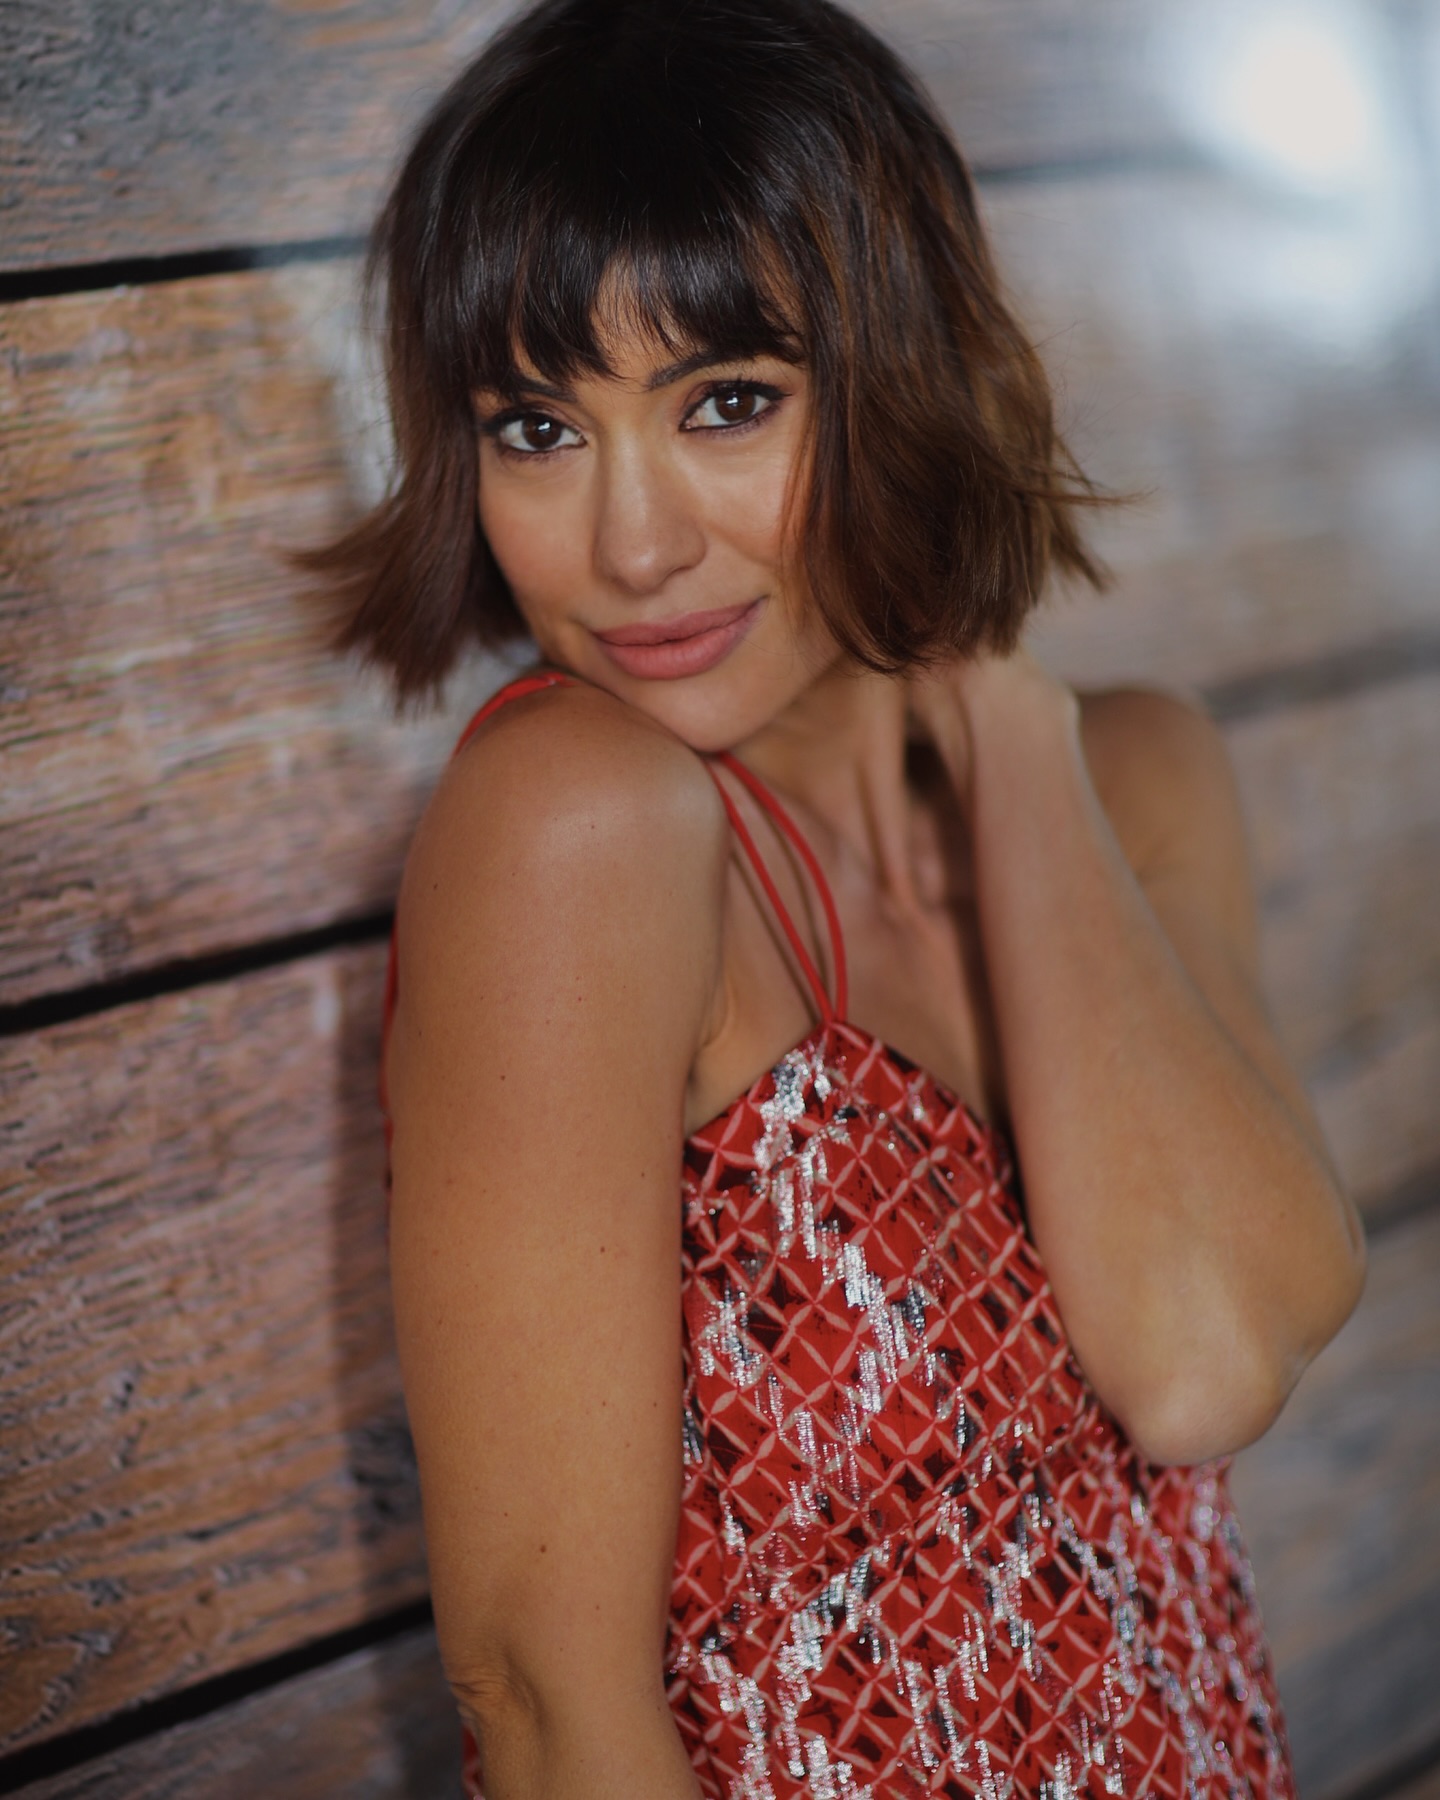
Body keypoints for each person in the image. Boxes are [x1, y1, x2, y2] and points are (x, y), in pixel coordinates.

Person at [311, 1, 1366, 1793]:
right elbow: (545, 1701)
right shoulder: (578, 826)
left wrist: (1000, 711)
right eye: (537, 429)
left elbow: (1200, 1361)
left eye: (727, 404)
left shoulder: (1131, 777)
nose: (632, 545)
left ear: (903, 379)